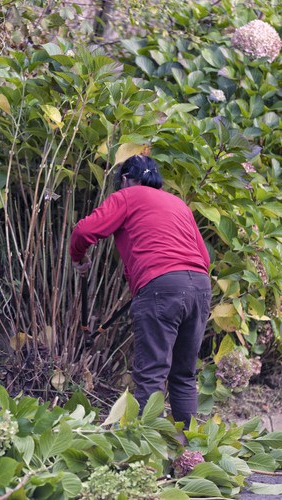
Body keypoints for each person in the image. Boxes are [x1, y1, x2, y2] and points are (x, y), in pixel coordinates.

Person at [70, 155, 211, 428]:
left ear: (124, 179)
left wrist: (79, 258)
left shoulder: (127, 196)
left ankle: (149, 451)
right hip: (200, 286)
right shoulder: (179, 204)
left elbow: (84, 230)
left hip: (162, 286)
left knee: (151, 374)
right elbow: (204, 257)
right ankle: (193, 450)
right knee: (184, 374)